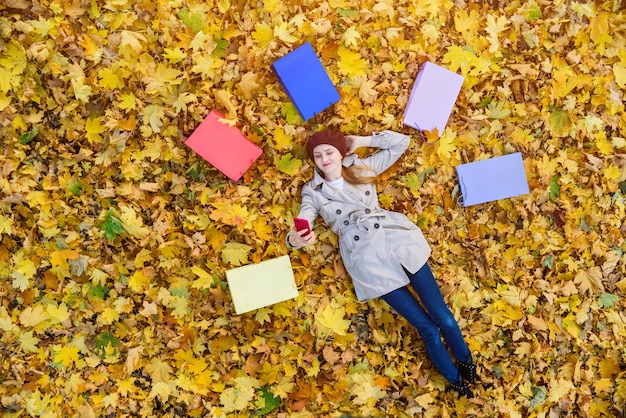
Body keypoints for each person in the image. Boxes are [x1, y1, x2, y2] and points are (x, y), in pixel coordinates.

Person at [286, 129, 478, 396]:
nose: (324, 159)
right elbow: (304, 218)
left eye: (329, 151)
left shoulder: (361, 167)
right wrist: (297, 238)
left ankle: (467, 361)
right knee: (426, 328)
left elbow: (402, 143)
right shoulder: (313, 191)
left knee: (442, 316)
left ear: (341, 152)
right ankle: (455, 379)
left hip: (396, 242)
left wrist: (363, 141)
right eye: (318, 155)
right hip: (367, 261)